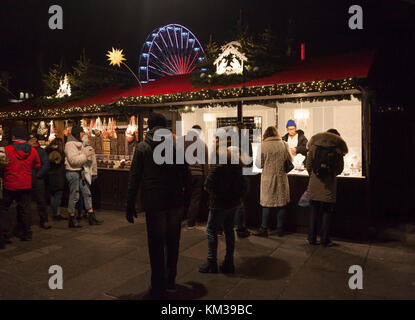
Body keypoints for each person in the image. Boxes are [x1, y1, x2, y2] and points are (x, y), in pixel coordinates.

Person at [126, 113, 188, 299]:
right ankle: (170, 281)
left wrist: (130, 203)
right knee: (173, 242)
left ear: (149, 127)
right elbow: (185, 172)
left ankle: (158, 285)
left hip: (154, 201)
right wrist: (185, 195)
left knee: (155, 244)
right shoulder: (175, 147)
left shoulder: (143, 147)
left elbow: (134, 177)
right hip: (174, 200)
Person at [199, 141, 246, 274]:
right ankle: (229, 262)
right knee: (229, 231)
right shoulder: (237, 168)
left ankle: (211, 262)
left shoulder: (217, 169)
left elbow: (207, 185)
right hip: (233, 204)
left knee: (211, 230)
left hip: (218, 204)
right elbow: (244, 186)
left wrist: (215, 194)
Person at [306, 128, 348, 247]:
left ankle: (311, 238)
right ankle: (325, 239)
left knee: (313, 211)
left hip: (314, 184)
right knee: (327, 212)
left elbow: (308, 165)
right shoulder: (338, 149)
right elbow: (340, 169)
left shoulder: (314, 146)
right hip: (329, 185)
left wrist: (314, 176)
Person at [0, 126, 41, 248]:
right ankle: (26, 232)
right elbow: (37, 164)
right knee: (24, 208)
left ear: (13, 137)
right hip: (25, 184)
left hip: (10, 184)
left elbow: (1, 165)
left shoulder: (5, 149)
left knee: (4, 209)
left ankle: (6, 234)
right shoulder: (33, 151)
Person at [254, 126, 292, 238]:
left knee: (266, 203)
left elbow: (258, 164)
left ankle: (264, 228)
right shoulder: (284, 144)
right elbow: (290, 160)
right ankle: (280, 229)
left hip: (267, 178)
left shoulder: (263, 145)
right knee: (281, 203)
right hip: (281, 178)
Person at [65, 125, 101, 228]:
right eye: (82, 132)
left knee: (87, 193)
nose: (83, 134)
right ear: (77, 133)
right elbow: (73, 161)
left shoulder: (80, 144)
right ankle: (71, 218)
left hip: (80, 172)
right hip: (73, 173)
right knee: (74, 196)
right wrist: (85, 155)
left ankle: (91, 215)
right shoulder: (69, 145)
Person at [183, 124, 208, 229]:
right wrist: (206, 179)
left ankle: (181, 219)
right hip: (198, 174)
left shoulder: (181, 142)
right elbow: (205, 164)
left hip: (185, 173)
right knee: (195, 198)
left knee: (184, 197)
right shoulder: (202, 144)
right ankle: (191, 222)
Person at [25, 133, 51, 229]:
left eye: (34, 139)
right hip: (27, 179)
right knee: (26, 202)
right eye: (31, 140)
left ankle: (44, 220)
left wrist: (38, 175)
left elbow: (46, 164)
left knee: (41, 201)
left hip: (37, 180)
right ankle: (26, 222)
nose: (33, 141)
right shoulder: (25, 150)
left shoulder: (41, 151)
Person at [46, 130, 67, 221]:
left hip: (50, 177)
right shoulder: (61, 154)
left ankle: (54, 212)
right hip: (58, 177)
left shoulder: (47, 151)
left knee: (52, 195)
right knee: (58, 196)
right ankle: (56, 213)